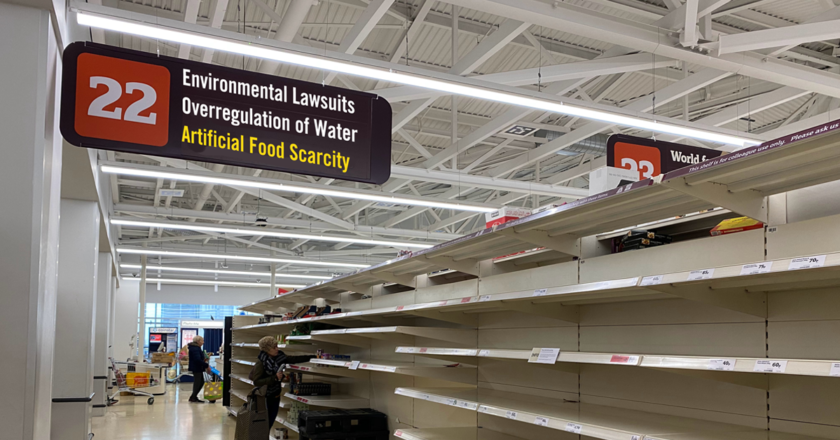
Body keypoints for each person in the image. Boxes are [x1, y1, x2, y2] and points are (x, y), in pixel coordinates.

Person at [253, 336, 314, 428]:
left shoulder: (280, 356)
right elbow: (257, 381)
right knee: (265, 424)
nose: (277, 349)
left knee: (270, 422)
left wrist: (312, 357)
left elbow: (293, 359)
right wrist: (275, 378)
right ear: (267, 349)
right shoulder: (261, 362)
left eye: (277, 346)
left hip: (276, 395)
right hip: (265, 398)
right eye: (274, 347)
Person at [188, 335, 212, 403]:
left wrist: (204, 360)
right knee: (198, 382)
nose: (203, 342)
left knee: (200, 382)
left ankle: (193, 397)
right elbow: (197, 360)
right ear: (198, 341)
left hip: (197, 367)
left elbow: (198, 358)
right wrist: (206, 365)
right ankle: (193, 397)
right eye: (202, 341)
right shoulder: (195, 348)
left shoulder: (195, 348)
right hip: (196, 368)